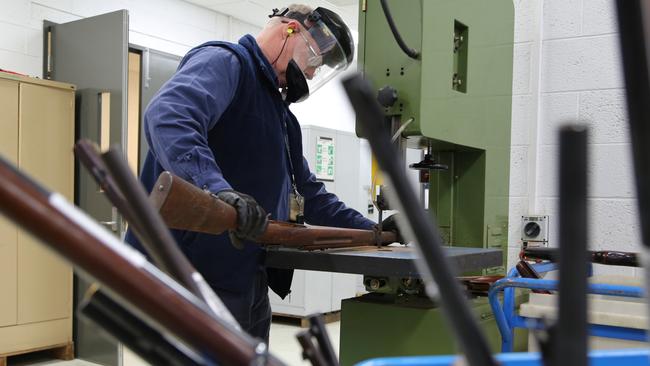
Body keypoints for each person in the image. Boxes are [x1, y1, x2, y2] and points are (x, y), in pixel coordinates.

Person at [125, 4, 400, 342]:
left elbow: (311, 196)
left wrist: (374, 230)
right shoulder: (227, 62)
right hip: (192, 275)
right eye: (315, 59)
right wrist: (218, 192)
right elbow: (169, 117)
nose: (313, 74)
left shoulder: (282, 118)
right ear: (288, 28)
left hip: (247, 276)